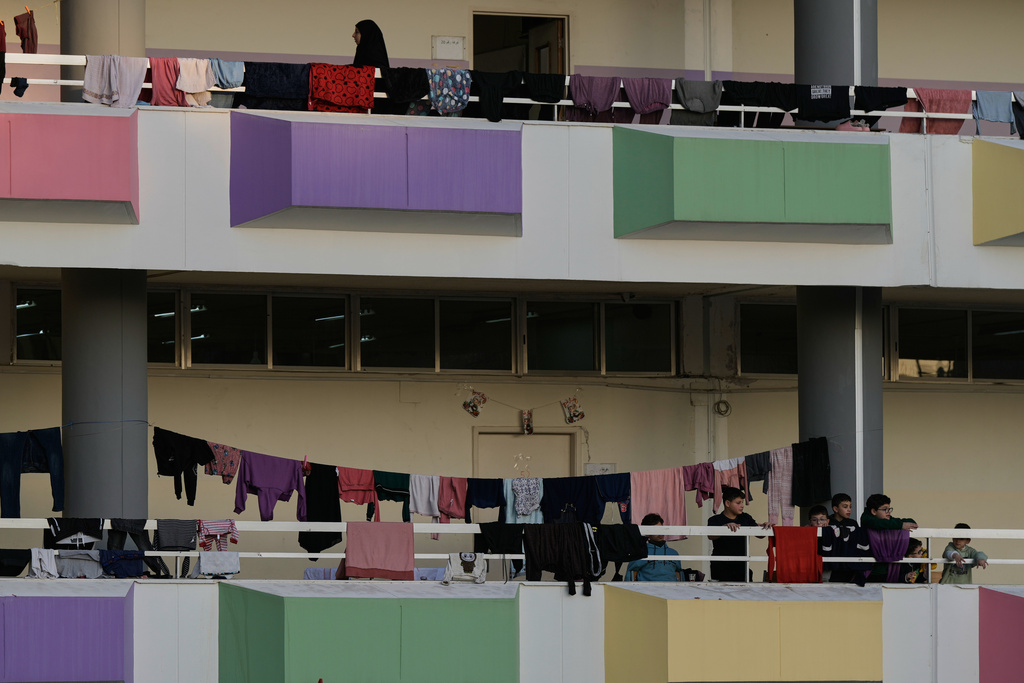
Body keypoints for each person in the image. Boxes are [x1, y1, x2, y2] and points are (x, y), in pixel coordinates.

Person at [708, 486, 770, 582]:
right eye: (738, 503)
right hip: (721, 567)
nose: (742, 506)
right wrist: (724, 528)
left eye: (742, 502)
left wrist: (765, 527)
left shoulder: (746, 518)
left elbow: (759, 535)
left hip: (742, 566)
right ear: (727, 503)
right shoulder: (715, 520)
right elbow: (710, 536)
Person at [626, 513, 682, 581]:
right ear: (647, 532)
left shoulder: (673, 553)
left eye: (661, 529)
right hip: (647, 590)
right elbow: (630, 575)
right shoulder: (641, 552)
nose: (660, 533)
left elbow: (680, 575)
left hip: (672, 590)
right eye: (656, 530)